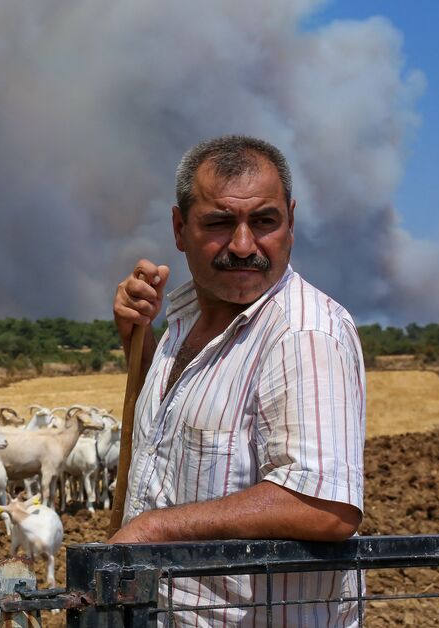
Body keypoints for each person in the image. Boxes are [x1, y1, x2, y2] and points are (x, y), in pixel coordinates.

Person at [109, 135, 365, 626]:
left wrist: (156, 529)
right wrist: (136, 342)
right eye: (220, 223)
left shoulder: (305, 333)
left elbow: (325, 508)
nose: (244, 245)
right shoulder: (179, 321)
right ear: (180, 228)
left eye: (264, 221)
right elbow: (166, 443)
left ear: (291, 220)